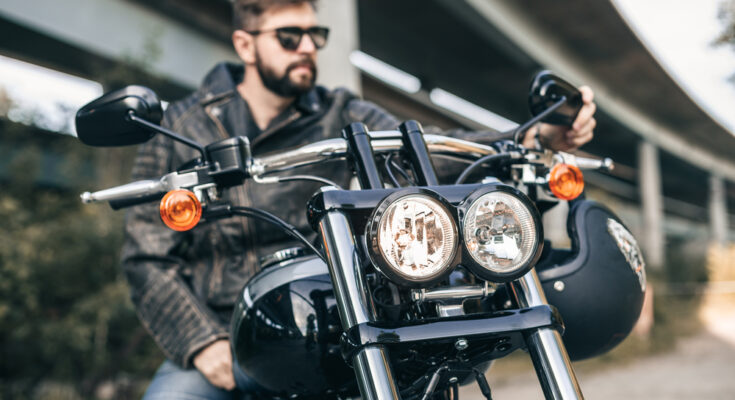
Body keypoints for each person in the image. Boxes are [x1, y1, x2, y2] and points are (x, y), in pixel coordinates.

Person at [121, 0, 598, 398]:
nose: (307, 47)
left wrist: (530, 137)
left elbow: (431, 147)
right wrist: (201, 343)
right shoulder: (183, 129)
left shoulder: (341, 113)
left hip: (326, 320)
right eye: (289, 37)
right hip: (224, 329)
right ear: (245, 44)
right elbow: (146, 256)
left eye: (315, 35)